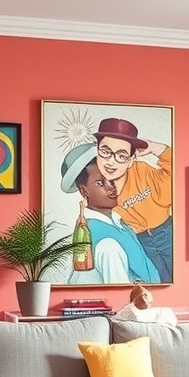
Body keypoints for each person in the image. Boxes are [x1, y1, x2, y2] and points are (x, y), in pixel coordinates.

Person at [60, 143, 160, 285]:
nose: (112, 188)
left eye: (112, 180)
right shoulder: (100, 238)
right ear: (84, 192)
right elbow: (119, 291)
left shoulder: (119, 222)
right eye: (100, 183)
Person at [93, 118, 172, 282]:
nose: (111, 161)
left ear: (131, 159)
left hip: (167, 232)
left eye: (121, 155)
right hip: (140, 242)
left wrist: (155, 147)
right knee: (158, 282)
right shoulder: (94, 185)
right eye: (106, 151)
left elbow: (177, 171)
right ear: (97, 150)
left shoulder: (142, 171)